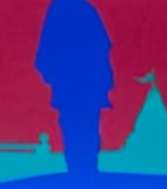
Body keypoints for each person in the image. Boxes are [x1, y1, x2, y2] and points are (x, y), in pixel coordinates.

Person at [34, 0, 113, 174]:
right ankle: (85, 170)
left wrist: (53, 76)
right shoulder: (84, 10)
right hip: (84, 84)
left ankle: (80, 171)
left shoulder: (61, 10)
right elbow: (103, 47)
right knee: (85, 128)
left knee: (75, 128)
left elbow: (44, 54)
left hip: (71, 85)